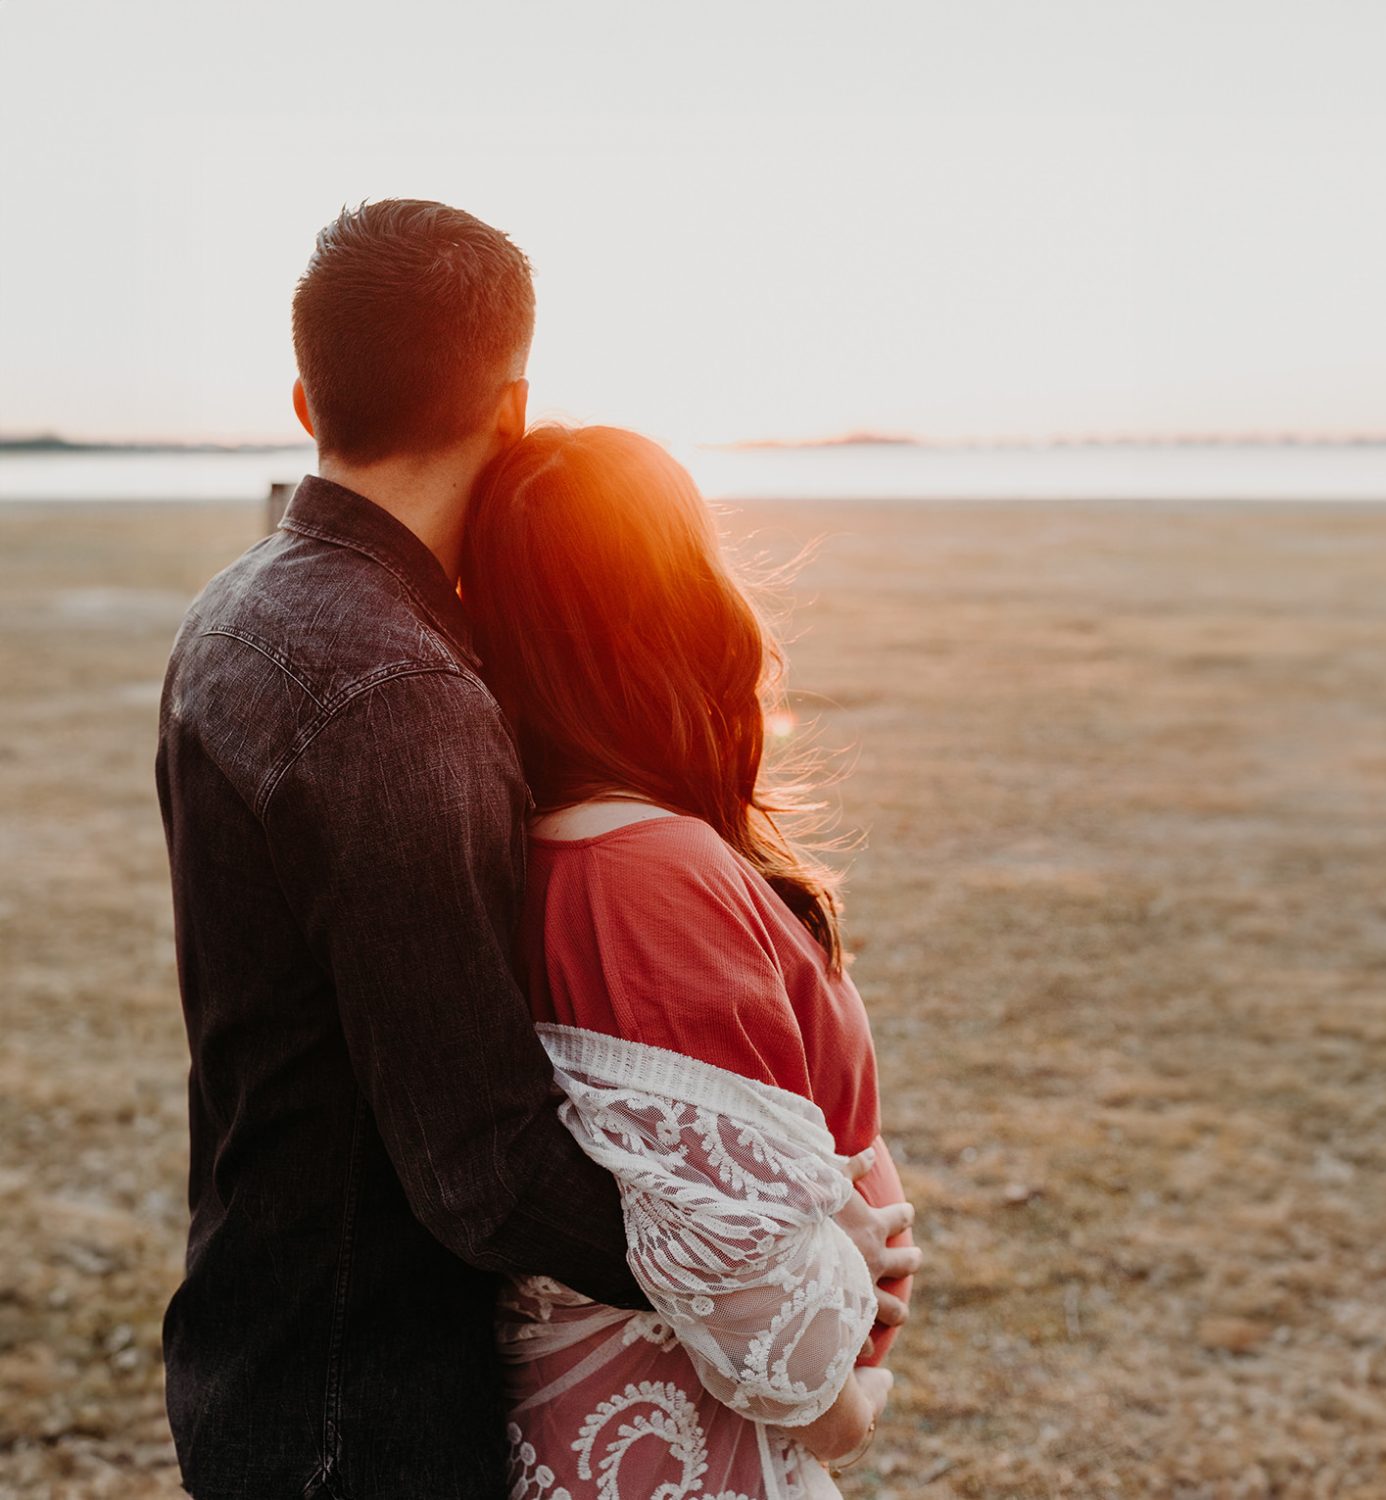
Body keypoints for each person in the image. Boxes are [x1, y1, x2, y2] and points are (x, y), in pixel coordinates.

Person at [154, 199, 918, 1499]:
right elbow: (487, 1174)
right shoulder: (393, 690)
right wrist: (778, 1253)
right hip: (366, 1394)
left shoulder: (239, 611)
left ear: (301, 398)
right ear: (509, 410)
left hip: (257, 1320)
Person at [459, 425, 918, 1497]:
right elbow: (737, 1272)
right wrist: (849, 1408)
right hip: (686, 1445)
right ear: (675, 604)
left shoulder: (565, 845)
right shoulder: (644, 876)